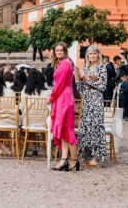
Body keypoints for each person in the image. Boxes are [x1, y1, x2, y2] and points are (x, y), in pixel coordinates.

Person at [49, 42, 79, 171]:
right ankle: (64, 159)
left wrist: (50, 97)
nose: (59, 52)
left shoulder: (66, 63)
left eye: (61, 50)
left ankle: (74, 160)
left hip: (64, 99)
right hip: (62, 98)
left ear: (65, 51)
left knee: (67, 130)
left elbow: (60, 84)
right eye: (57, 50)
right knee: (62, 130)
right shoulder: (62, 63)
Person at [76, 45, 107, 168]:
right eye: (90, 54)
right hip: (87, 102)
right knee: (86, 128)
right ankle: (87, 155)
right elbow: (80, 89)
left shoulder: (102, 68)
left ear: (98, 55)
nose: (92, 56)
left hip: (96, 101)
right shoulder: (86, 68)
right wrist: (78, 78)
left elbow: (102, 86)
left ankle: (97, 156)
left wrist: (86, 79)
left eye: (94, 53)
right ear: (87, 56)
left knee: (96, 128)